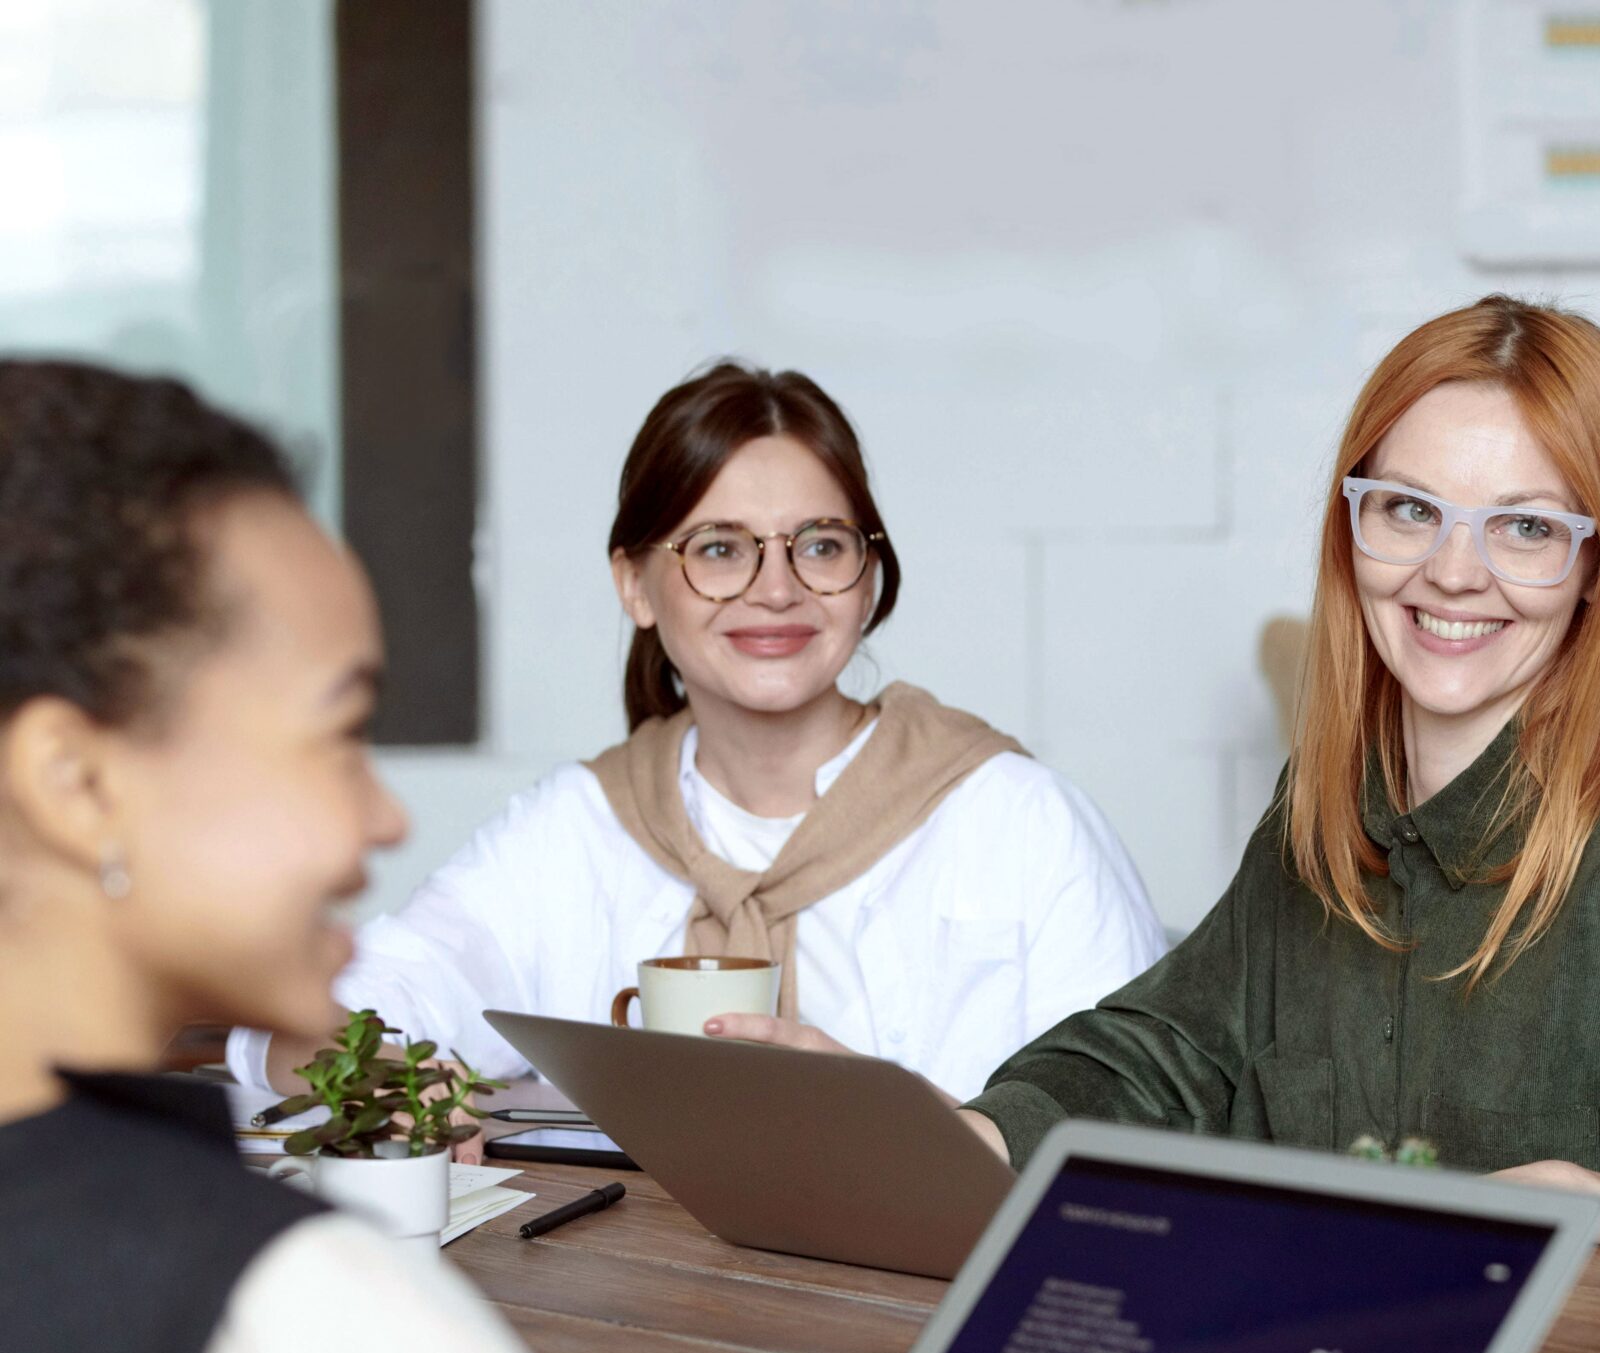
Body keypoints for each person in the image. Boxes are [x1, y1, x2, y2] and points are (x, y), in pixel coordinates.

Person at [0, 359, 1471, 1353]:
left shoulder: (1007, 815)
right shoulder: (288, 1310)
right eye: (336, 730)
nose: (384, 814)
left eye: (819, 544)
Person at [723, 297, 1600, 1246]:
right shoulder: (1323, 814)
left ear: (1599, 563)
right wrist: (949, 1135)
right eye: (1408, 511)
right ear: (1351, 530)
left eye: (1525, 529)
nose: (1453, 572)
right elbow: (1167, 1052)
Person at [227, 362, 1162, 1145]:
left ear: (868, 578)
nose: (776, 589)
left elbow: (1143, 1129)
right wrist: (387, 1079)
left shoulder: (1017, 822)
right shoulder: (582, 827)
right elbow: (317, 1015)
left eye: (821, 545)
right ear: (634, 582)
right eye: (719, 549)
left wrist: (896, 1124)